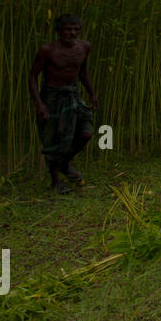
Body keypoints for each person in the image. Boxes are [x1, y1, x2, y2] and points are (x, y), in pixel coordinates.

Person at [30, 13, 98, 194]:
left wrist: (92, 94)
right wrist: (39, 104)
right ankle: (55, 181)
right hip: (52, 96)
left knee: (86, 132)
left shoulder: (84, 47)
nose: (72, 33)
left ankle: (64, 163)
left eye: (76, 29)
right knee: (53, 138)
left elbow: (83, 72)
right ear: (59, 31)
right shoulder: (47, 50)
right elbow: (33, 76)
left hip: (73, 94)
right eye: (68, 29)